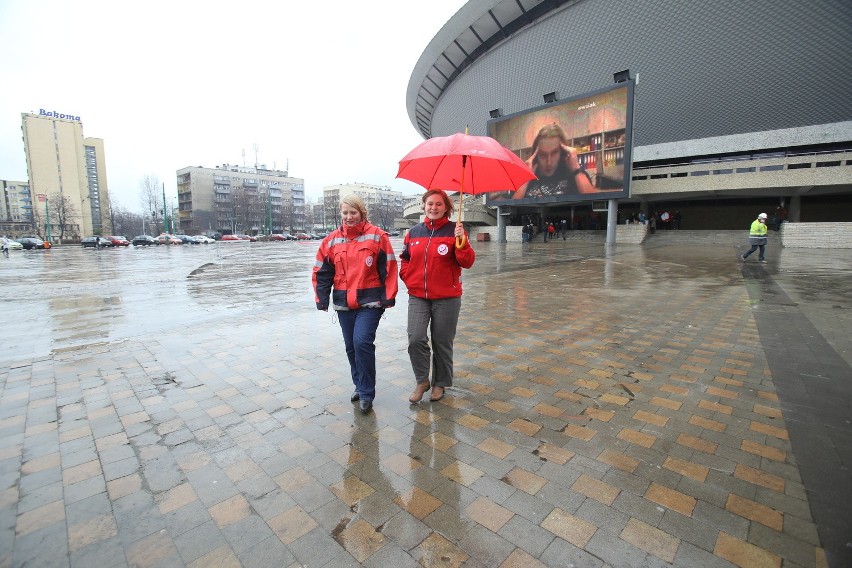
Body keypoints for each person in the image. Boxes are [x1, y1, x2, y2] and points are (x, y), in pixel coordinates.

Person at [312, 195, 398, 414]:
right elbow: (321, 271)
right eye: (345, 213)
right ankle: (359, 385)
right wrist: (322, 297)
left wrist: (388, 296)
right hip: (343, 304)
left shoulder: (377, 236)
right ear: (340, 214)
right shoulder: (331, 240)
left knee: (361, 343)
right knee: (351, 347)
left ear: (362, 213)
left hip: (370, 302)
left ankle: (367, 393)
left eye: (353, 212)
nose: (349, 217)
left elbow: (389, 267)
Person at [400, 190, 475, 404]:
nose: (433, 208)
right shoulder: (413, 232)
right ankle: (422, 380)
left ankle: (440, 383)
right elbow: (405, 259)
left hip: (447, 297)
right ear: (424, 206)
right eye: (430, 203)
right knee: (415, 338)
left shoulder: (455, 231)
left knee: (442, 341)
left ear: (446, 208)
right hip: (418, 295)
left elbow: (467, 262)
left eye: (438, 204)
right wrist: (407, 276)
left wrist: (462, 242)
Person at [512, 123, 596, 199]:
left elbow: (594, 203)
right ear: (536, 155)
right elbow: (510, 209)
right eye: (543, 155)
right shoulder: (528, 179)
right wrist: (526, 178)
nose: (549, 162)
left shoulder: (574, 175)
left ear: (563, 151)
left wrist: (576, 169)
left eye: (554, 153)